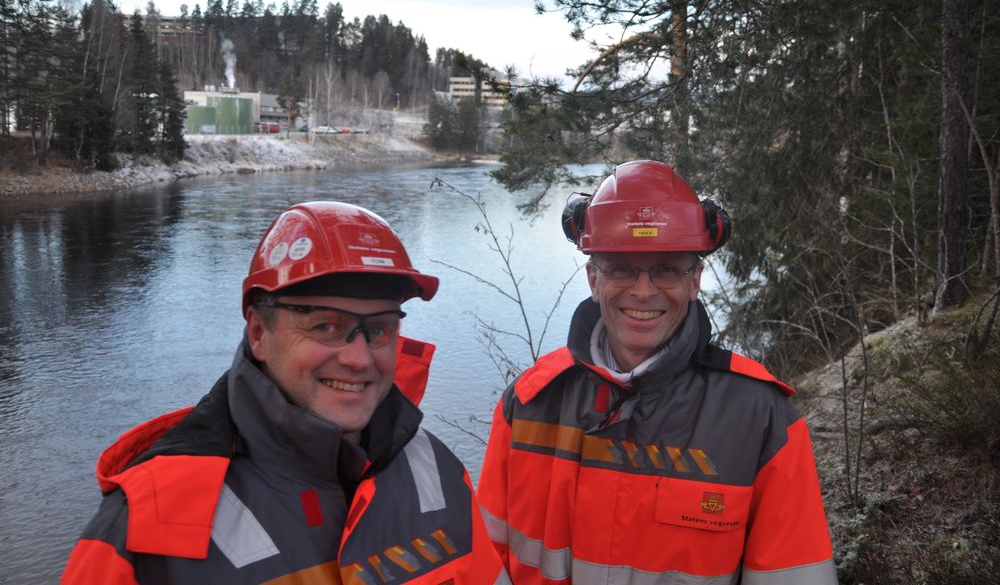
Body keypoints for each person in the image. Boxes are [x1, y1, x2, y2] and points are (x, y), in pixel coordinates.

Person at [63, 201, 508, 584]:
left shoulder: (433, 469)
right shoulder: (147, 526)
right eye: (325, 326)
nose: (358, 358)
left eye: (379, 329)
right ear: (259, 333)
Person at [477, 161, 836, 584]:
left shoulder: (760, 417)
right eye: (622, 268)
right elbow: (482, 563)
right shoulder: (529, 403)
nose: (643, 291)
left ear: (695, 280)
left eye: (666, 268)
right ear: (594, 279)